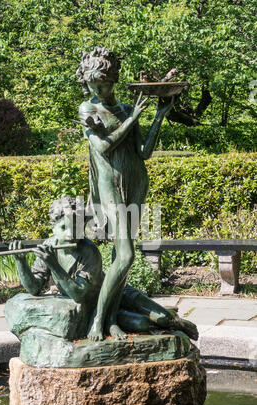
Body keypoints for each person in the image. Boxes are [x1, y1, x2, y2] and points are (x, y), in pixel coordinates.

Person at [77, 47, 174, 341]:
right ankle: (97, 321)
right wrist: (133, 118)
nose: (98, 89)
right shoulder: (88, 109)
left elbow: (144, 151)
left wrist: (158, 115)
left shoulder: (124, 109)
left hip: (135, 181)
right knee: (128, 255)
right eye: (92, 84)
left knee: (123, 256)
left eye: (103, 84)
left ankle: (111, 320)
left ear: (114, 80)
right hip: (110, 187)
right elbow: (103, 147)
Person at [8, 196, 198, 342]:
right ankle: (149, 314)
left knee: (163, 319)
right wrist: (20, 263)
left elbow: (78, 294)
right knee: (140, 323)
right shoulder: (49, 246)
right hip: (95, 308)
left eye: (76, 228)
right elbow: (34, 288)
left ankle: (176, 320)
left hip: (116, 295)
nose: (70, 234)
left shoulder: (89, 252)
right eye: (64, 227)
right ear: (53, 227)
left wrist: (54, 265)